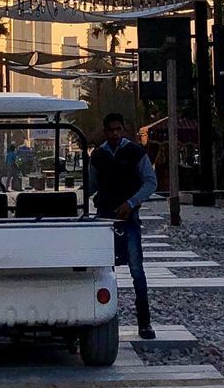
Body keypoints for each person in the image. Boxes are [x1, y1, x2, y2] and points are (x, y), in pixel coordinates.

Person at [88, 112, 157, 339]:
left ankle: (144, 322)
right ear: (105, 131)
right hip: (104, 221)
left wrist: (132, 202)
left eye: (119, 129)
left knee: (137, 270)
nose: (115, 133)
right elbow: (91, 185)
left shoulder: (135, 153)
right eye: (111, 130)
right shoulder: (98, 155)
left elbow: (150, 182)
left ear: (124, 130)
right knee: (102, 272)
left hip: (129, 220)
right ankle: (100, 323)